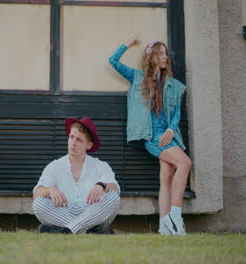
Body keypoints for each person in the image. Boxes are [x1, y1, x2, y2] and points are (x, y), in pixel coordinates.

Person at [109, 37, 192, 235]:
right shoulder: (137, 77)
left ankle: (165, 226)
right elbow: (113, 61)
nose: (165, 57)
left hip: (168, 136)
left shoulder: (173, 85)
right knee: (185, 163)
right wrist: (127, 44)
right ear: (152, 56)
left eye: (166, 54)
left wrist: (172, 129)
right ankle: (175, 218)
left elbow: (177, 112)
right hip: (151, 136)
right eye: (161, 53)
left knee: (166, 176)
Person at [32, 117, 121, 234]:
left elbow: (116, 190)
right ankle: (89, 231)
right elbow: (36, 194)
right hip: (63, 212)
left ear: (88, 145)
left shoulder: (100, 165)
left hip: (92, 212)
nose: (73, 143)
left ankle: (64, 231)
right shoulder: (54, 166)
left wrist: (101, 185)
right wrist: (50, 189)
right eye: (71, 137)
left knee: (113, 197)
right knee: (39, 202)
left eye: (79, 140)